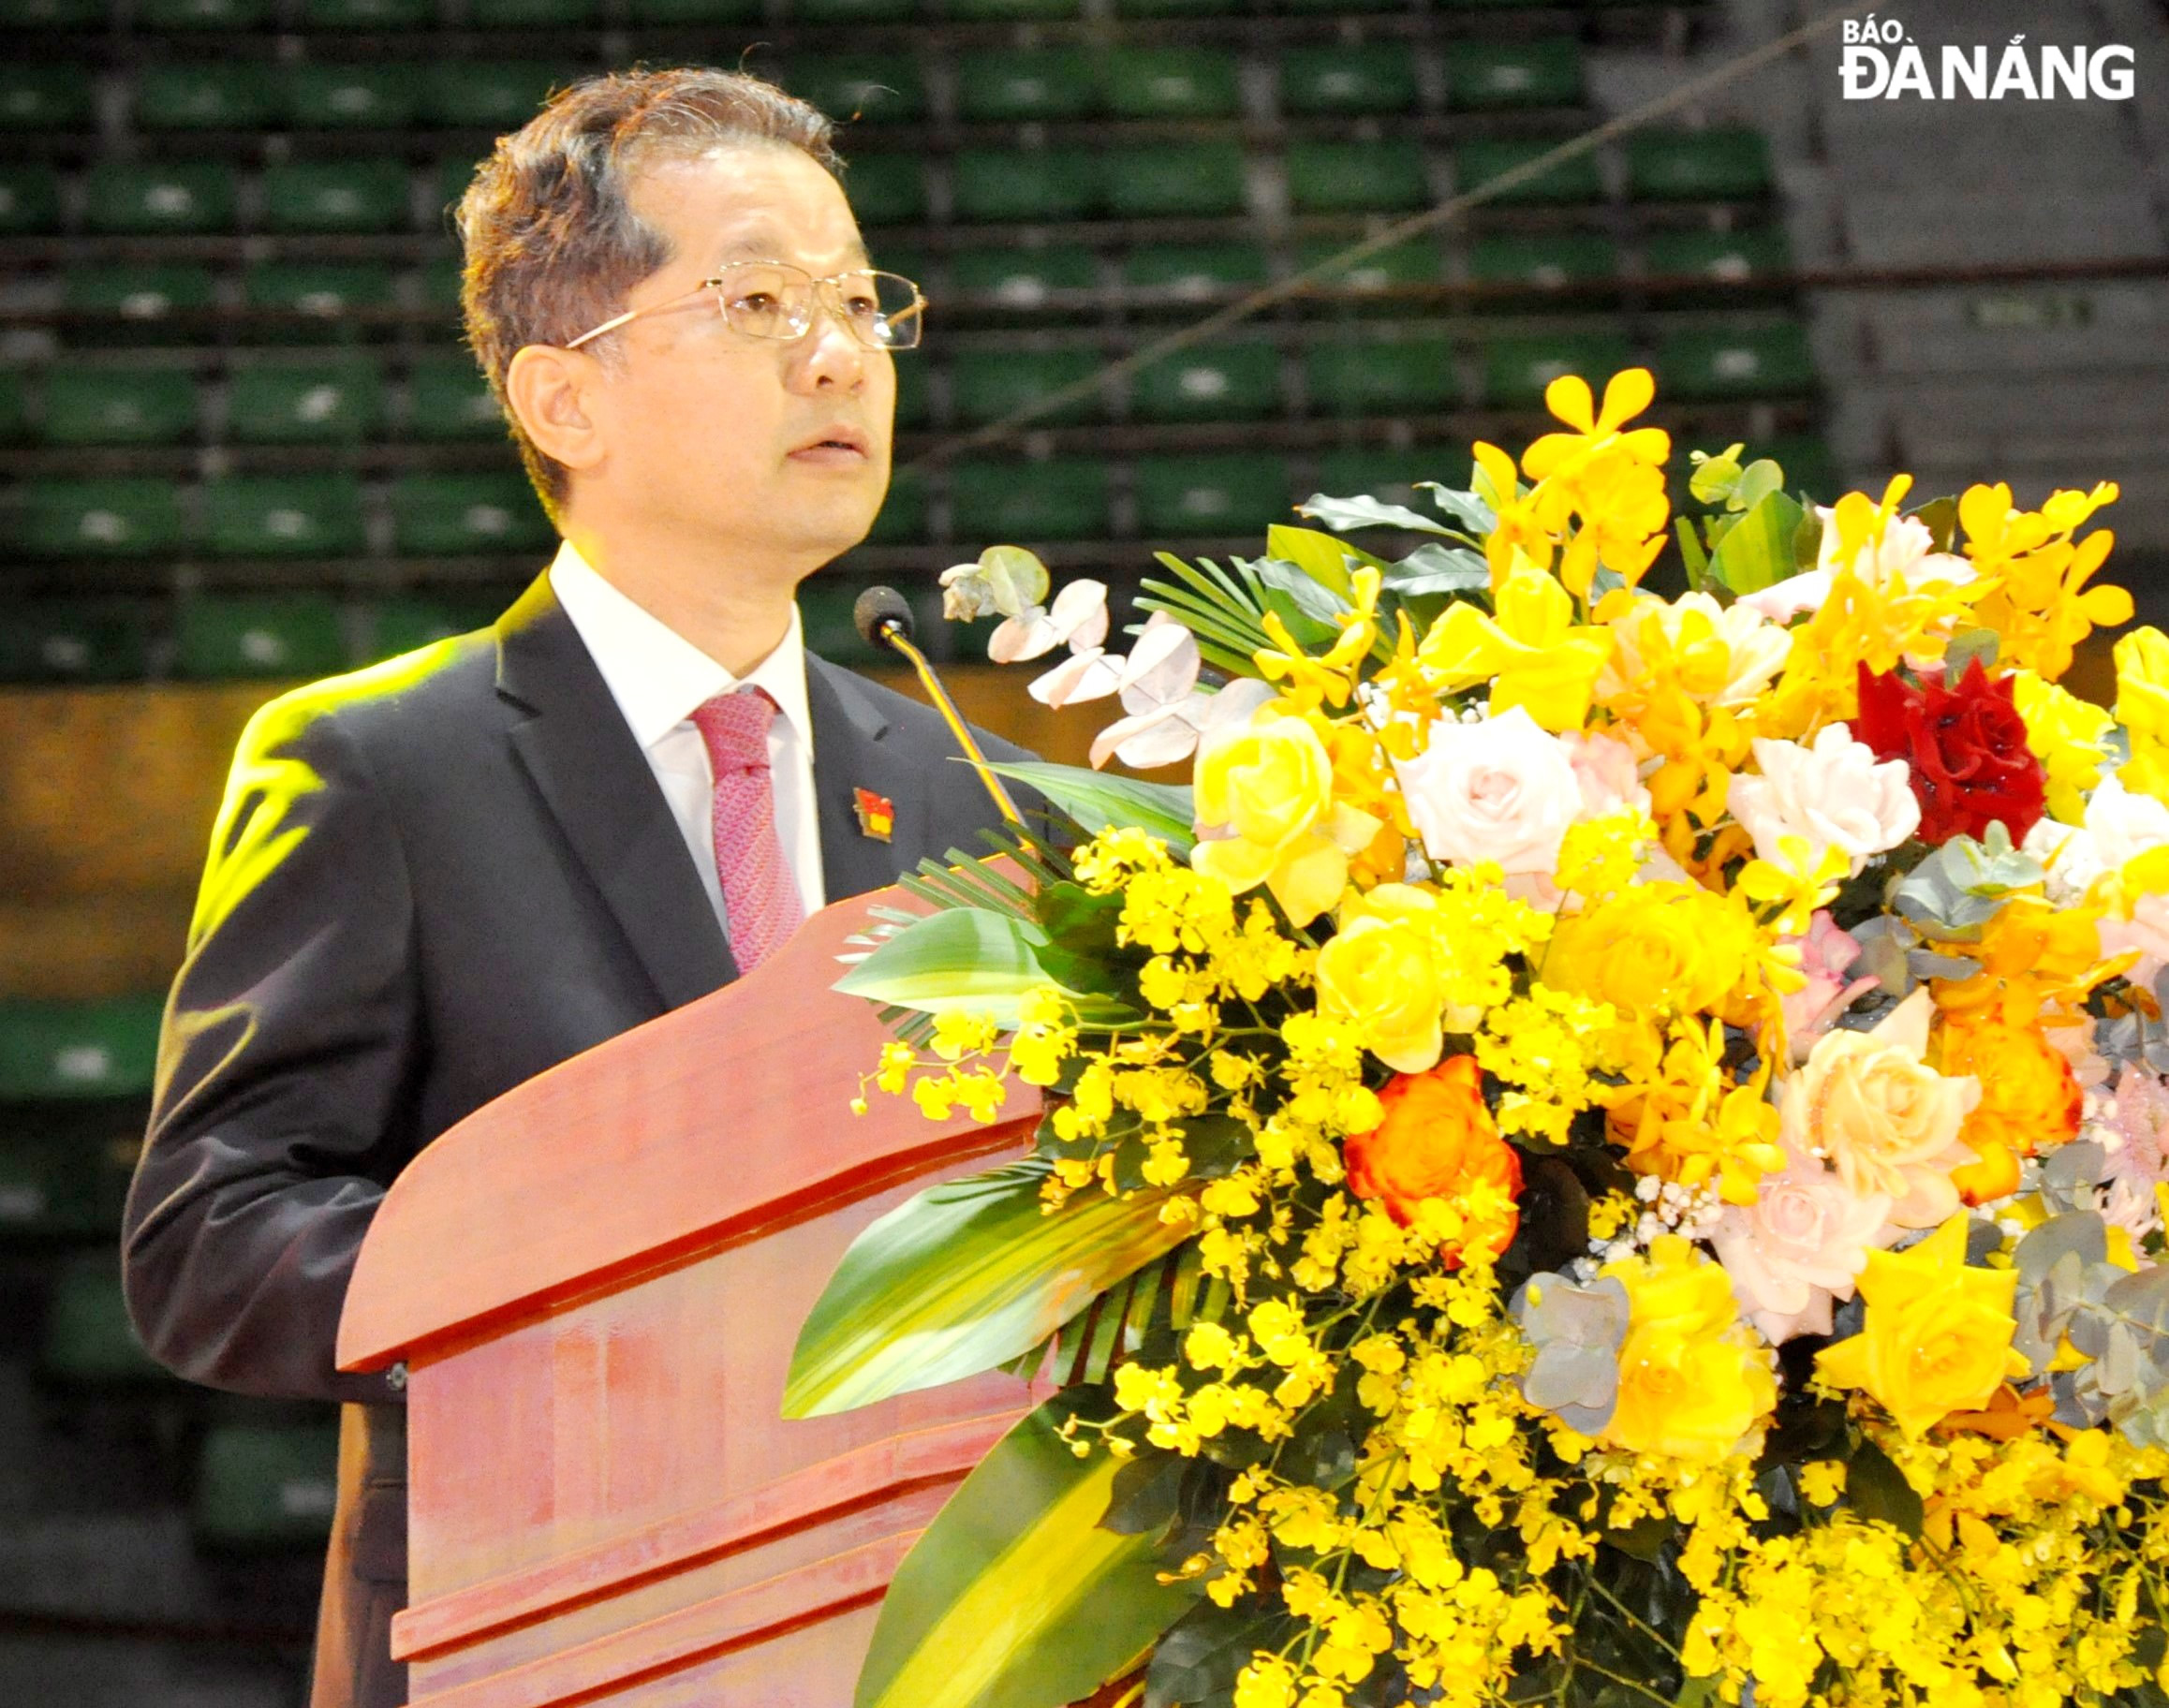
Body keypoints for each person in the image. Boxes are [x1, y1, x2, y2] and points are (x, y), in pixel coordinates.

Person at [121, 67, 1037, 1708]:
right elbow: (211, 1240)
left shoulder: (980, 788)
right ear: (564, 401)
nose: (837, 353)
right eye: (756, 298)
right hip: (539, 1630)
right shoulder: (381, 769)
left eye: (855, 300)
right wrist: (612, 1289)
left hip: (921, 1633)